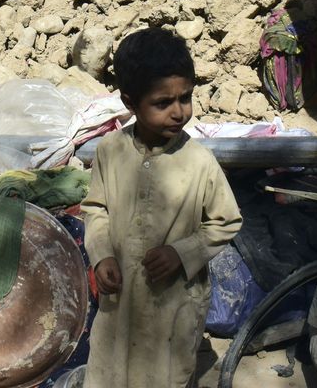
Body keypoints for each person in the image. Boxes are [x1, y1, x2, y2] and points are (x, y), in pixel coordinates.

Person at [82, 27, 243, 388]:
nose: (178, 112)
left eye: (185, 98)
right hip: (119, 298)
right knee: (110, 371)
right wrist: (103, 255)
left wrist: (182, 253)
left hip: (172, 303)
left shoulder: (199, 162)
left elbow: (226, 220)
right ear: (129, 102)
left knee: (163, 376)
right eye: (162, 103)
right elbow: (95, 209)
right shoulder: (110, 151)